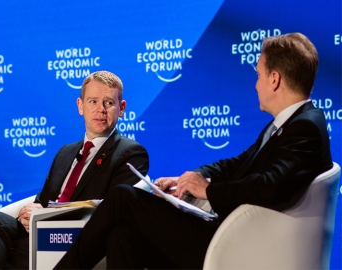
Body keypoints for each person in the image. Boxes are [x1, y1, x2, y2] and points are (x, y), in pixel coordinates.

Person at [55, 32, 333, 269]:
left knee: (123, 198)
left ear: (274, 79)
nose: (255, 84)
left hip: (238, 247)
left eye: (258, 74)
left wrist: (207, 191)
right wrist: (189, 178)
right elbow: (237, 164)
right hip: (235, 235)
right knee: (123, 233)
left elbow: (270, 187)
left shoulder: (304, 128)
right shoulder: (291, 124)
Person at [0, 70, 149, 269]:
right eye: (93, 101)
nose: (100, 109)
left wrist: (47, 216)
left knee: (1, 258)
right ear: (80, 106)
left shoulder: (130, 153)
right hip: (39, 232)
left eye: (109, 103)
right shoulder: (65, 153)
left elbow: (111, 209)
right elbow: (44, 199)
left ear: (121, 108)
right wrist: (29, 213)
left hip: (75, 239)